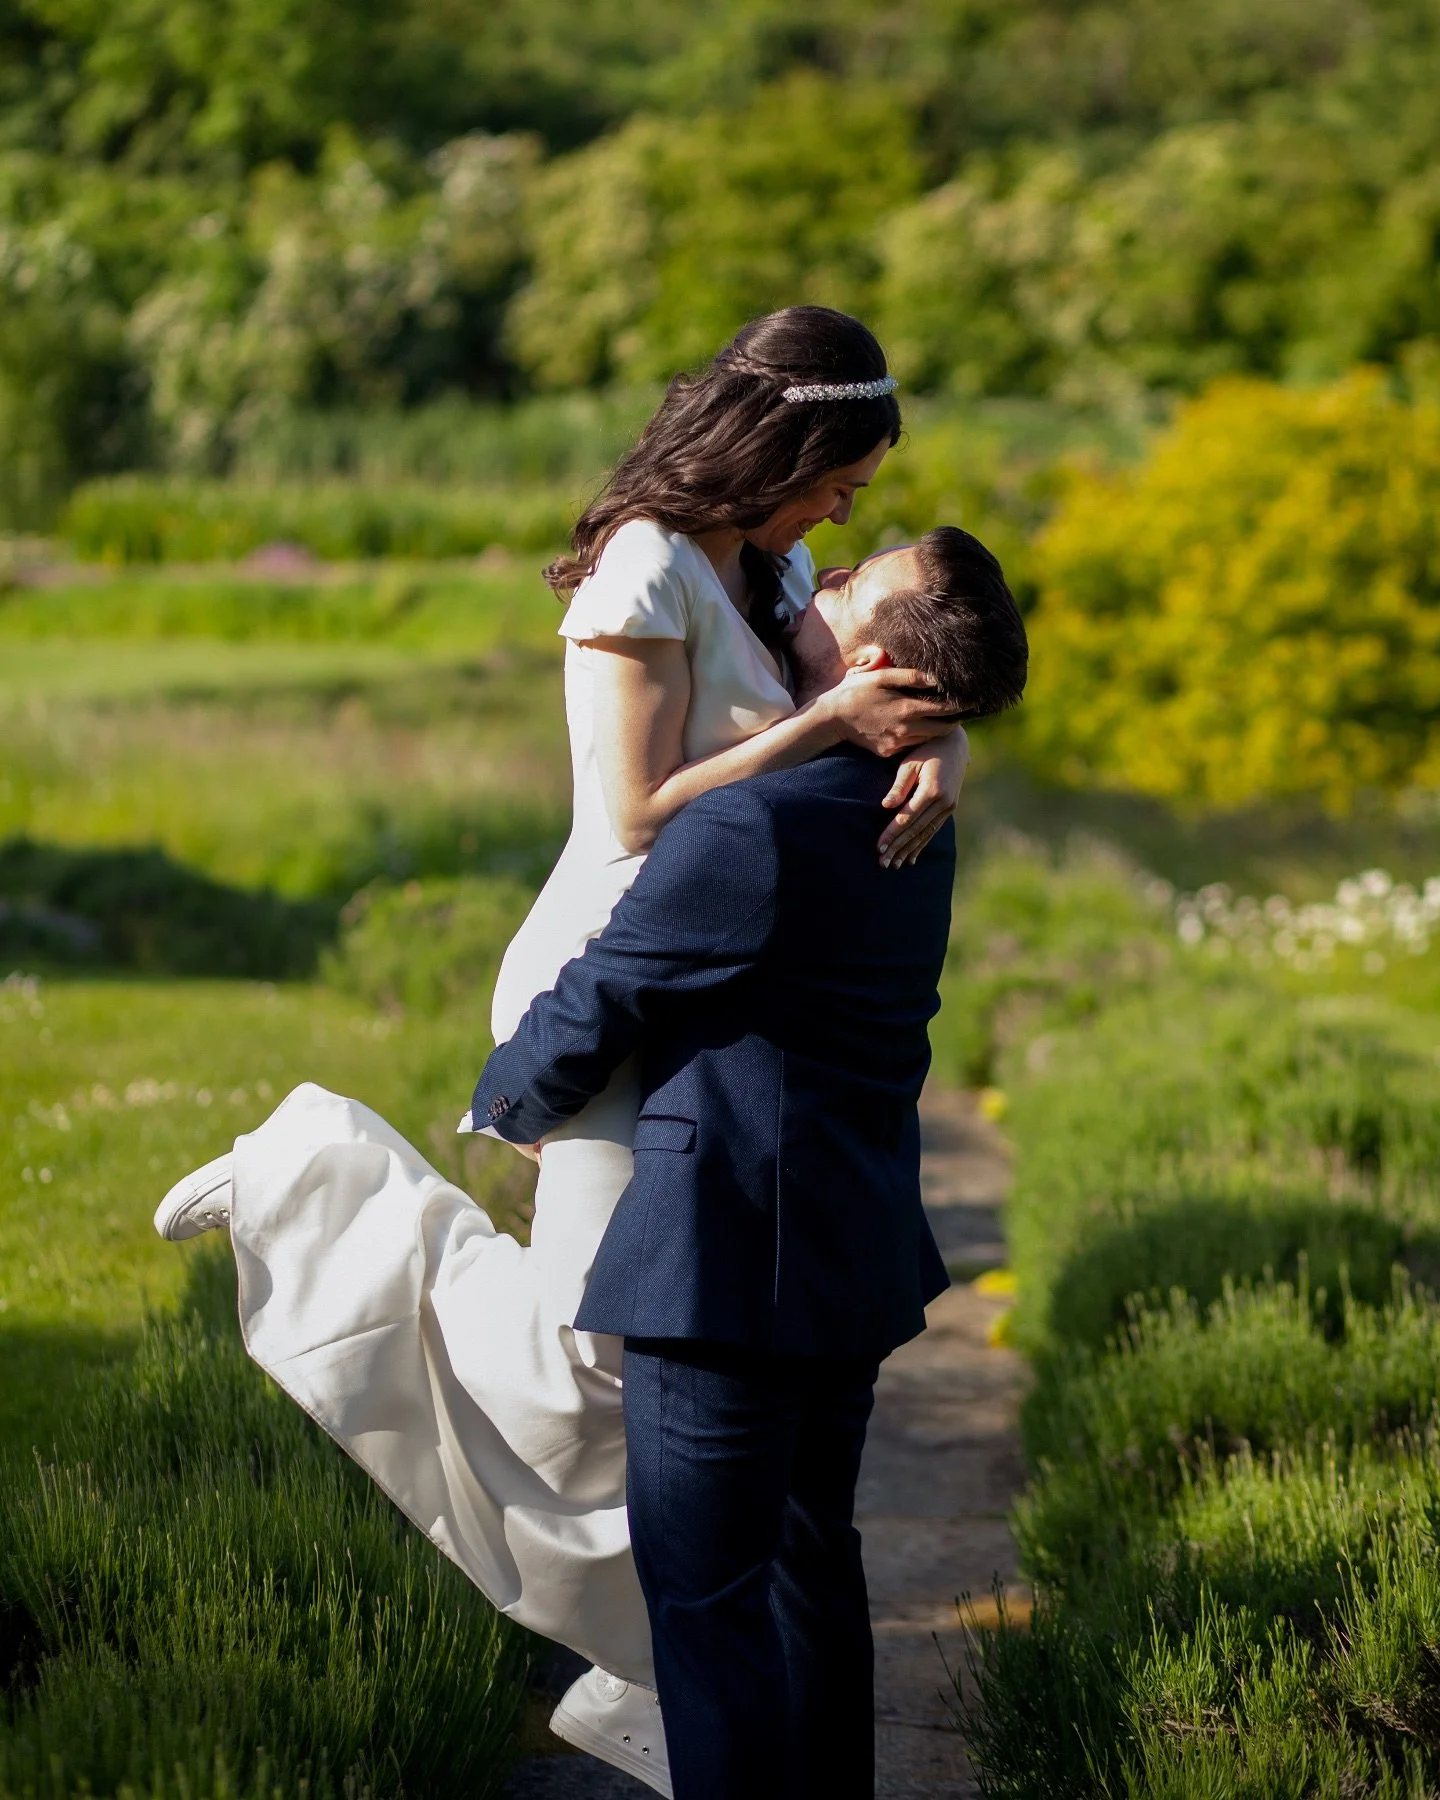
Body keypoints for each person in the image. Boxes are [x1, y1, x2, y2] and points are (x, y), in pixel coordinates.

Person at [153, 308, 967, 1793]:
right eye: (843, 472)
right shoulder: (648, 563)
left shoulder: (769, 565)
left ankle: (654, 1692)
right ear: (784, 442)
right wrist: (832, 722)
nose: (850, 507)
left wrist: (930, 736)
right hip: (617, 986)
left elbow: (851, 667)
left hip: (713, 1004)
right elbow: (640, 818)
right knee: (600, 1367)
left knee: (645, 1396)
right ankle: (316, 1183)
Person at [470, 527, 1029, 1798]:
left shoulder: (753, 828)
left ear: (874, 659)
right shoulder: (918, 813)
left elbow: (604, 999)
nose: (818, 578)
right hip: (848, 1249)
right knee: (809, 1566)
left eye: (849, 581)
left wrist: (504, 1104)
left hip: (723, 1264)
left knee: (708, 1604)